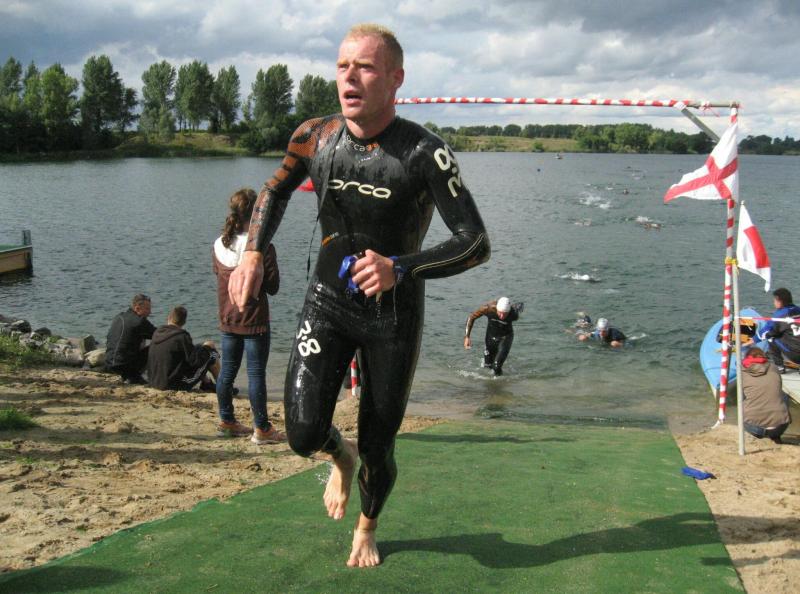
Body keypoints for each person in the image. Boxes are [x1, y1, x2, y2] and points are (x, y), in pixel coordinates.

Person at [227, 23, 490, 567]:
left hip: (392, 315)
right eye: (343, 66)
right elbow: (274, 190)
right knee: (302, 433)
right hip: (327, 300)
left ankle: (366, 527)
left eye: (365, 67)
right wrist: (253, 251)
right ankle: (337, 456)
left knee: (378, 445)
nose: (350, 77)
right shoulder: (315, 136)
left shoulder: (425, 152)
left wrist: (400, 267)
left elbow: (475, 241)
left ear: (395, 79)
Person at [213, 188, 286, 444]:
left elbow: (220, 275)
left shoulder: (219, 244)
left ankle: (227, 420)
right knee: (256, 374)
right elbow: (273, 287)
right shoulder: (262, 248)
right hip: (254, 320)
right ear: (257, 215)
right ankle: (262, 428)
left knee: (227, 372)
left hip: (228, 317)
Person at [147, 306, 220, 391]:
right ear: (184, 322)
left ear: (169, 317)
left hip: (154, 382)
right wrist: (208, 348)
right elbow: (195, 362)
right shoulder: (182, 336)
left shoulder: (157, 332)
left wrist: (202, 348)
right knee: (212, 354)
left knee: (198, 348)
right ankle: (223, 386)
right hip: (173, 385)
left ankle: (207, 383)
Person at [740, 347, 791, 444]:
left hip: (755, 428)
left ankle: (756, 435)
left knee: (742, 397)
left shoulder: (742, 371)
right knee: (783, 395)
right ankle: (776, 437)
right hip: (779, 427)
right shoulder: (773, 367)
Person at [463, 297, 523, 376]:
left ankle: (500, 382)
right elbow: (472, 317)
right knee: (487, 366)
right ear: (497, 309)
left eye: (505, 313)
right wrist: (467, 337)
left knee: (496, 366)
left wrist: (519, 307)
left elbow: (519, 307)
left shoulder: (513, 315)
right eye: (500, 312)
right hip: (490, 337)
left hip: (505, 338)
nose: (502, 316)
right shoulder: (488, 308)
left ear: (508, 311)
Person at [105, 294, 156, 384]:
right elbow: (160, 335)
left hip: (109, 363)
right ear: (137, 308)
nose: (150, 312)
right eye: (147, 309)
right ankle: (138, 376)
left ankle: (135, 375)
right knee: (156, 345)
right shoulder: (140, 322)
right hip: (125, 367)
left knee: (137, 338)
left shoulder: (119, 317)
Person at [758, 287, 800, 373]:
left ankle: (779, 366)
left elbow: (767, 332)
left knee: (771, 337)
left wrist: (751, 341)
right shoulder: (798, 309)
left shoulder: (780, 314)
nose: (774, 303)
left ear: (780, 301)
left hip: (795, 355)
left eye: (775, 300)